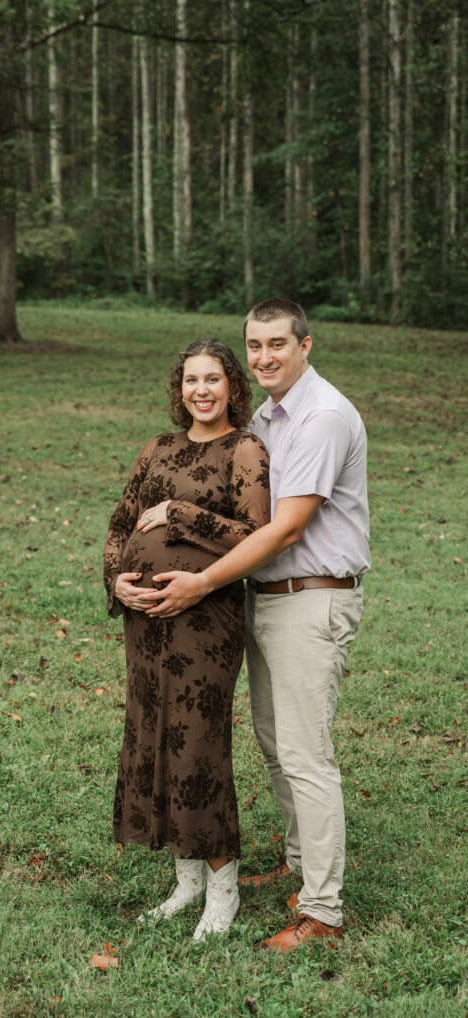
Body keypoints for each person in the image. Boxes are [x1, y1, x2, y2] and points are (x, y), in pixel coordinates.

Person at [142, 298, 370, 951]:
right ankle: (300, 871)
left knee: (306, 756)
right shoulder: (269, 416)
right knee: (276, 744)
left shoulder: (321, 415)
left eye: (277, 343)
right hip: (265, 596)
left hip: (310, 596)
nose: (264, 356)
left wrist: (202, 580)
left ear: (305, 344)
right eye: (255, 345)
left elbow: (287, 524)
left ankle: (323, 912)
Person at [103, 339, 270, 942]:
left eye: (213, 379)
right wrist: (117, 578)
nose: (201, 391)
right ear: (179, 387)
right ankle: (187, 882)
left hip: (207, 620)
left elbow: (257, 534)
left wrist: (178, 512)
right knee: (154, 735)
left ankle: (223, 892)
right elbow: (121, 524)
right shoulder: (158, 448)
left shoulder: (244, 450)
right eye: (191, 380)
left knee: (196, 745)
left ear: (232, 387)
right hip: (145, 621)